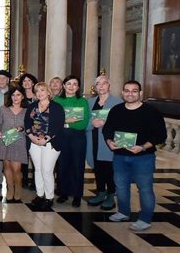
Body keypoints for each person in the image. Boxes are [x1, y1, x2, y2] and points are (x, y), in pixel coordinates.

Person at [104, 80, 166, 232]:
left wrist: (143, 147)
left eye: (134, 91)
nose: (130, 93)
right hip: (119, 156)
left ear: (140, 93)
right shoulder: (116, 110)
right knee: (121, 186)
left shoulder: (151, 111)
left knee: (144, 188)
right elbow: (108, 129)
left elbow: (160, 135)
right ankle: (123, 212)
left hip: (143, 157)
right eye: (127, 90)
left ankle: (145, 218)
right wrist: (110, 142)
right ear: (122, 93)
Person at [24, 82, 64, 210]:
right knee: (38, 169)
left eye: (42, 90)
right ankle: (40, 195)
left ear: (48, 92)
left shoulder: (56, 107)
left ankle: (49, 197)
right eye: (37, 91)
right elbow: (27, 123)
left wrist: (46, 139)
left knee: (47, 170)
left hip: (50, 143)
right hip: (34, 141)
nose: (40, 93)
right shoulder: (32, 106)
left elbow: (58, 125)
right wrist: (31, 137)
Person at [86, 76, 122, 210]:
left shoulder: (117, 102)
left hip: (108, 141)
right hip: (93, 140)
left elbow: (121, 122)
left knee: (109, 168)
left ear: (109, 86)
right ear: (95, 87)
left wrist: (107, 123)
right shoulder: (89, 102)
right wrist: (92, 124)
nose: (101, 86)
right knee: (97, 167)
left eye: (104, 83)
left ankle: (111, 195)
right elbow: (83, 121)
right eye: (98, 84)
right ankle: (100, 192)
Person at [53, 75, 90, 207]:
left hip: (77, 138)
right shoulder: (57, 100)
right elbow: (54, 121)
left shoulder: (82, 102)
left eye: (75, 84)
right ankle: (63, 193)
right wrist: (69, 121)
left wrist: (65, 123)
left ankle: (77, 195)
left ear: (78, 87)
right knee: (62, 166)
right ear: (64, 85)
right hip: (61, 138)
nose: (71, 86)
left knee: (77, 166)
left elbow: (83, 123)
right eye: (69, 83)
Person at [0, 84, 28, 203]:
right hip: (5, 140)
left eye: (18, 95)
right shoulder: (3, 109)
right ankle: (10, 189)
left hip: (19, 141)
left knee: (16, 169)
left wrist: (22, 128)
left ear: (23, 96)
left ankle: (18, 187)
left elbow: (29, 126)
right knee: (7, 166)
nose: (15, 97)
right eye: (13, 95)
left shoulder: (26, 110)